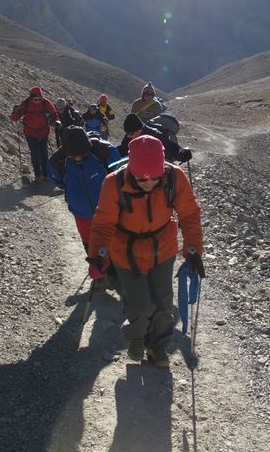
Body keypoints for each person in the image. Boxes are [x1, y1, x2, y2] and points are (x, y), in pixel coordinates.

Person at [87, 135, 204, 368]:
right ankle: (137, 336)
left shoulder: (174, 177)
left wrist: (193, 252)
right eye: (142, 180)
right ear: (131, 168)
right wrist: (98, 254)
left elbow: (189, 215)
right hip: (125, 251)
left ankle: (157, 347)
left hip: (163, 248)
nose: (149, 184)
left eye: (154, 179)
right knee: (138, 303)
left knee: (162, 302)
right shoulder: (113, 183)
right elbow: (103, 224)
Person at [52, 126, 120, 253]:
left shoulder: (104, 151)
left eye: (82, 154)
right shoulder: (58, 161)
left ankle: (112, 270)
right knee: (90, 244)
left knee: (114, 243)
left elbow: (119, 174)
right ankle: (97, 267)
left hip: (108, 211)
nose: (78, 158)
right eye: (73, 156)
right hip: (82, 214)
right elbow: (58, 181)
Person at [10, 86, 60, 184]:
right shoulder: (26, 104)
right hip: (30, 133)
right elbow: (16, 117)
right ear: (30, 97)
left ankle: (45, 174)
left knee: (44, 154)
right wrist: (14, 113)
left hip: (43, 132)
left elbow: (54, 114)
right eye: (35, 99)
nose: (37, 101)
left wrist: (56, 122)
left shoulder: (46, 103)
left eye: (39, 98)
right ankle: (37, 175)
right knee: (35, 154)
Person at [118, 114, 192, 164]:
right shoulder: (131, 134)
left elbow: (170, 147)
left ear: (140, 130)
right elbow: (123, 150)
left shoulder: (155, 135)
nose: (128, 136)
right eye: (127, 133)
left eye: (131, 134)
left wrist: (182, 153)